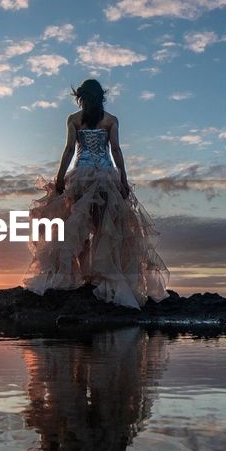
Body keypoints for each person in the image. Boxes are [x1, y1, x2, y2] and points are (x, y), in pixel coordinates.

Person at [23, 79, 168, 308]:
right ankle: (100, 278)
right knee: (104, 228)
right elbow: (116, 150)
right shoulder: (110, 120)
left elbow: (70, 150)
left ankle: (82, 277)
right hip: (105, 177)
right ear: (101, 97)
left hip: (80, 176)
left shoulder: (74, 119)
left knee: (77, 227)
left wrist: (60, 177)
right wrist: (123, 179)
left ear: (81, 97)